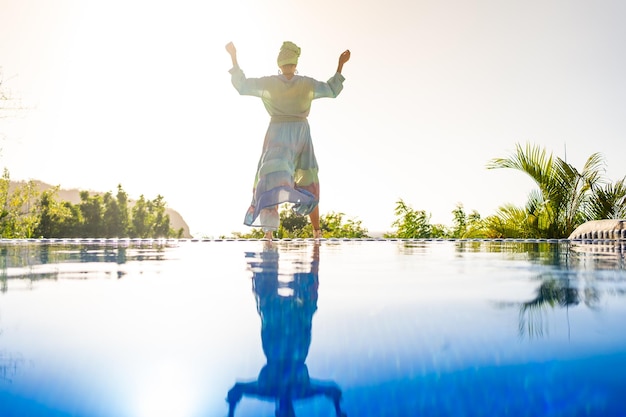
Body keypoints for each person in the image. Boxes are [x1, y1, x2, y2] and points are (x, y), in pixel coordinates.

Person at [226, 41, 351, 240]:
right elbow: (331, 90)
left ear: (280, 63)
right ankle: (316, 232)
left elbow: (242, 86)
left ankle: (268, 234)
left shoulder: (270, 83)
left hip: (276, 133)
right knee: (308, 178)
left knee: (270, 179)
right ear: (295, 63)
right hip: (300, 134)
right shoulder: (306, 84)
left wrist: (233, 55)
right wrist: (340, 65)